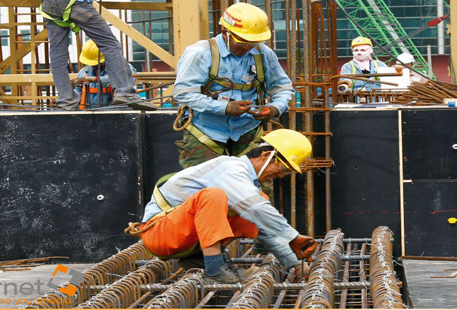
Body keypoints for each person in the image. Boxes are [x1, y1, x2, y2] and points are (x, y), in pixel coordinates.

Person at [125, 129, 316, 284]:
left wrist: (294, 264)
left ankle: (201, 258)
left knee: (256, 204)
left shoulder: (244, 184)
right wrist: (294, 236)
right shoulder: (231, 169)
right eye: (283, 169)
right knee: (214, 197)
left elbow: (263, 224)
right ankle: (215, 270)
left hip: (183, 237)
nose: (281, 176)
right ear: (267, 155)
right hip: (159, 234)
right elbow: (258, 210)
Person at [173, 2, 294, 169]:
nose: (247, 47)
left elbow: (283, 88)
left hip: (247, 130)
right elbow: (184, 93)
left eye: (252, 43)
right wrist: (224, 108)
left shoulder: (263, 53)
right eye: (242, 42)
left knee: (256, 186)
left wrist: (274, 108)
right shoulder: (200, 54)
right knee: (202, 187)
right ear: (225, 32)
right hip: (205, 132)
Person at [39, 0, 157, 111]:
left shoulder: (85, 72)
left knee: (58, 55)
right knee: (110, 45)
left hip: (49, 6)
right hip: (75, 4)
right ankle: (125, 93)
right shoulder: (85, 73)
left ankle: (66, 101)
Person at [74, 40, 138, 109]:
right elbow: (77, 94)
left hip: (116, 115)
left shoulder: (122, 67)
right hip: (90, 115)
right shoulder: (84, 72)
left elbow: (129, 78)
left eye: (97, 63)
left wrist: (96, 79)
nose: (94, 65)